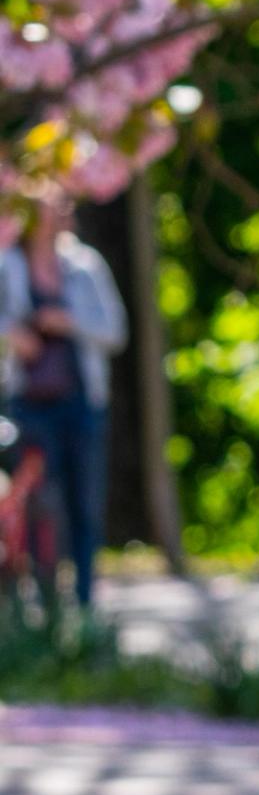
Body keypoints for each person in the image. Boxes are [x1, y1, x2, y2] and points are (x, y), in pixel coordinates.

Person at [0, 207, 124, 615]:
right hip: (29, 405)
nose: (62, 213)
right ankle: (47, 605)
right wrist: (13, 335)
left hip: (81, 401)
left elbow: (115, 330)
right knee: (38, 505)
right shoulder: (8, 265)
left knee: (84, 503)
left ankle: (86, 601)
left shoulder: (85, 266)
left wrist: (68, 321)